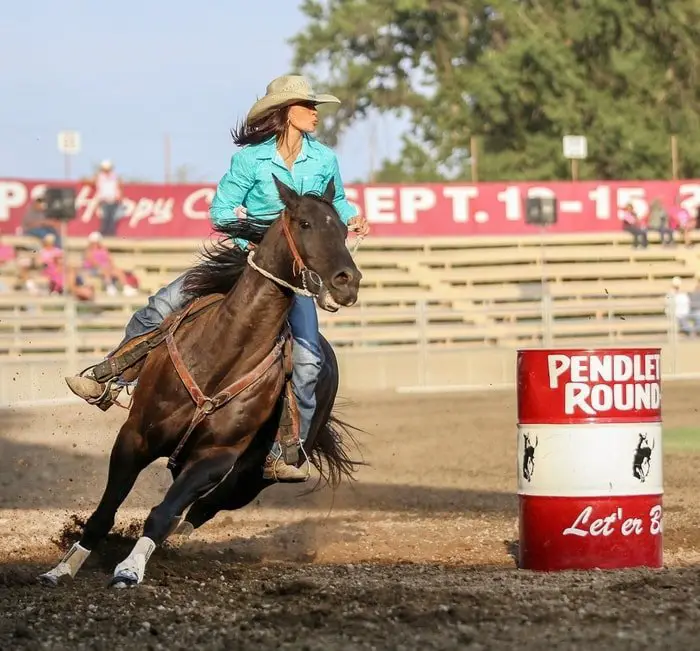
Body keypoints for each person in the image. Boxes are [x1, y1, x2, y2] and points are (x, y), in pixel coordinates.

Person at [65, 74, 370, 482]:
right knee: (161, 305)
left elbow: (338, 202)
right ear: (286, 112)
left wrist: (351, 218)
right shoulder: (249, 161)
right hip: (244, 259)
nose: (315, 113)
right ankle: (111, 377)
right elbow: (222, 213)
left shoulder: (324, 160)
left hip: (293, 275)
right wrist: (268, 234)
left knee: (310, 360)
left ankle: (286, 450)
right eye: (307, 105)